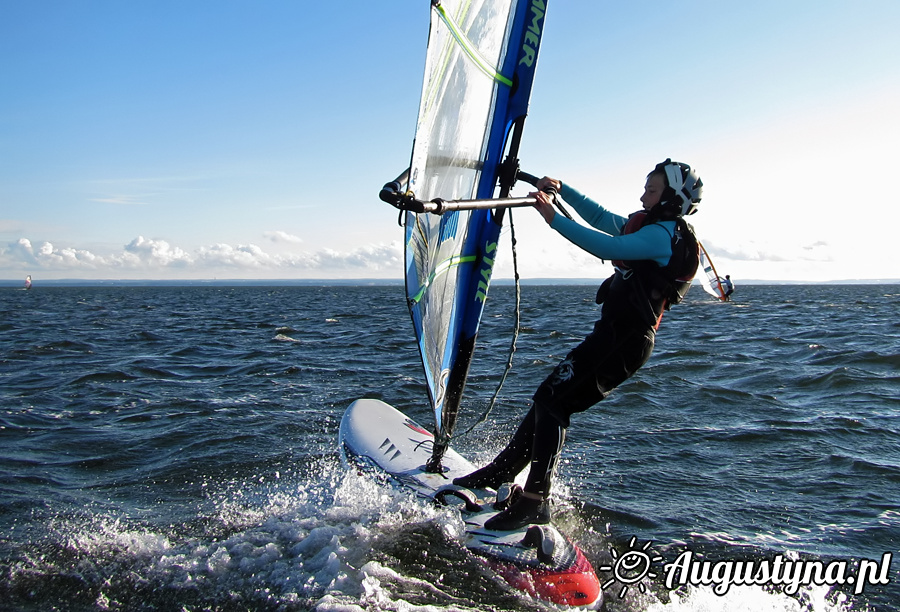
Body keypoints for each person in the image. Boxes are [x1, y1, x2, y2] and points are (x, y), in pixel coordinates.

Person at [453, 159, 704, 530]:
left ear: (672, 199)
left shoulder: (661, 236)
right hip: (612, 336)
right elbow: (602, 218)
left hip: (626, 342)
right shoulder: (652, 227)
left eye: (651, 191)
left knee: (554, 404)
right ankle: (501, 473)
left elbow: (603, 243)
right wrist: (563, 189)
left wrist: (551, 216)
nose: (642, 195)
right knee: (547, 398)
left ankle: (536, 501)